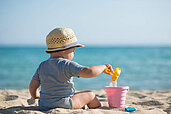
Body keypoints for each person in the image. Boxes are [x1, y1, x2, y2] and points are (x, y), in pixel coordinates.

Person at [29, 28, 113, 111]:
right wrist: (104, 67)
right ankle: (98, 106)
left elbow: (32, 86)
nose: (73, 54)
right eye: (73, 51)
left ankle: (84, 106)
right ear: (65, 50)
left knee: (76, 95)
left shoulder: (42, 65)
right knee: (90, 95)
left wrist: (35, 95)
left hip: (44, 105)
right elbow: (89, 72)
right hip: (64, 104)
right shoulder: (67, 64)